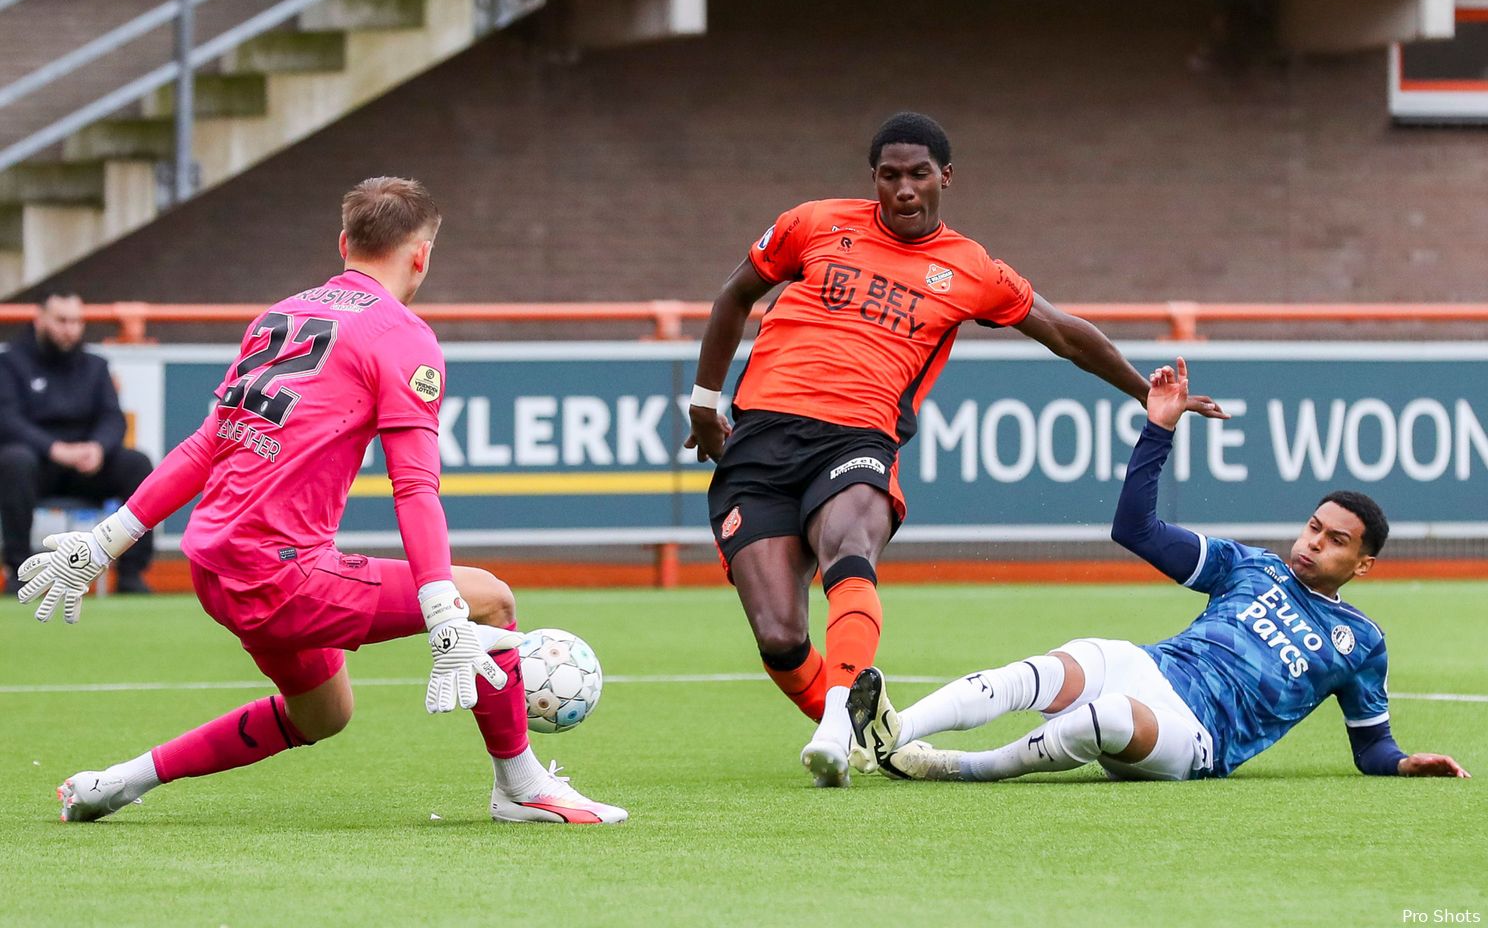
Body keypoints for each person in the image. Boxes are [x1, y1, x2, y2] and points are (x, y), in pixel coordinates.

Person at [16, 177, 626, 824]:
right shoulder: (402, 336)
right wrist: (443, 607)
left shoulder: (281, 315)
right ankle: (522, 787)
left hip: (213, 565)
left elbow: (207, 443)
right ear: (421, 256)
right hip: (278, 574)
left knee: (323, 712)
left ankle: (118, 781)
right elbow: (415, 486)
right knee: (491, 598)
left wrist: (105, 541)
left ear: (344, 244)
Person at [684, 112, 1230, 788]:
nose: (903, 189)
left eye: (918, 175)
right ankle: (859, 732)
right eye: (889, 176)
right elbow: (734, 294)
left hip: (859, 435)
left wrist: (1141, 392)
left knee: (849, 546)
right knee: (779, 634)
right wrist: (705, 404)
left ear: (946, 177)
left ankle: (835, 727)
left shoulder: (970, 268)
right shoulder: (814, 223)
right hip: (762, 436)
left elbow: (1062, 332)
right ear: (874, 180)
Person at [846, 357, 1469, 785]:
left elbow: (1371, 747)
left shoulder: (1361, 642)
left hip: (1196, 736)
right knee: (1068, 660)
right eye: (1313, 527)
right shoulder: (1250, 565)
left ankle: (958, 767)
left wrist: (1405, 763)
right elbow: (1134, 530)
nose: (1313, 544)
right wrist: (1159, 428)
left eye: (1336, 542)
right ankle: (894, 732)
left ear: (1362, 565)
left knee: (1108, 715)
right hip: (1156, 667)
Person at [0, 292, 156, 594]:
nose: (69, 329)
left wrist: (98, 447)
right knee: (14, 460)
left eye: (76, 321)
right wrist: (54, 449)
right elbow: (7, 420)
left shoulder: (95, 366)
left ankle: (131, 575)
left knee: (137, 463)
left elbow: (113, 418)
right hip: (36, 465)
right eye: (61, 320)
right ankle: (18, 571)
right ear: (39, 320)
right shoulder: (9, 363)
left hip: (86, 467)